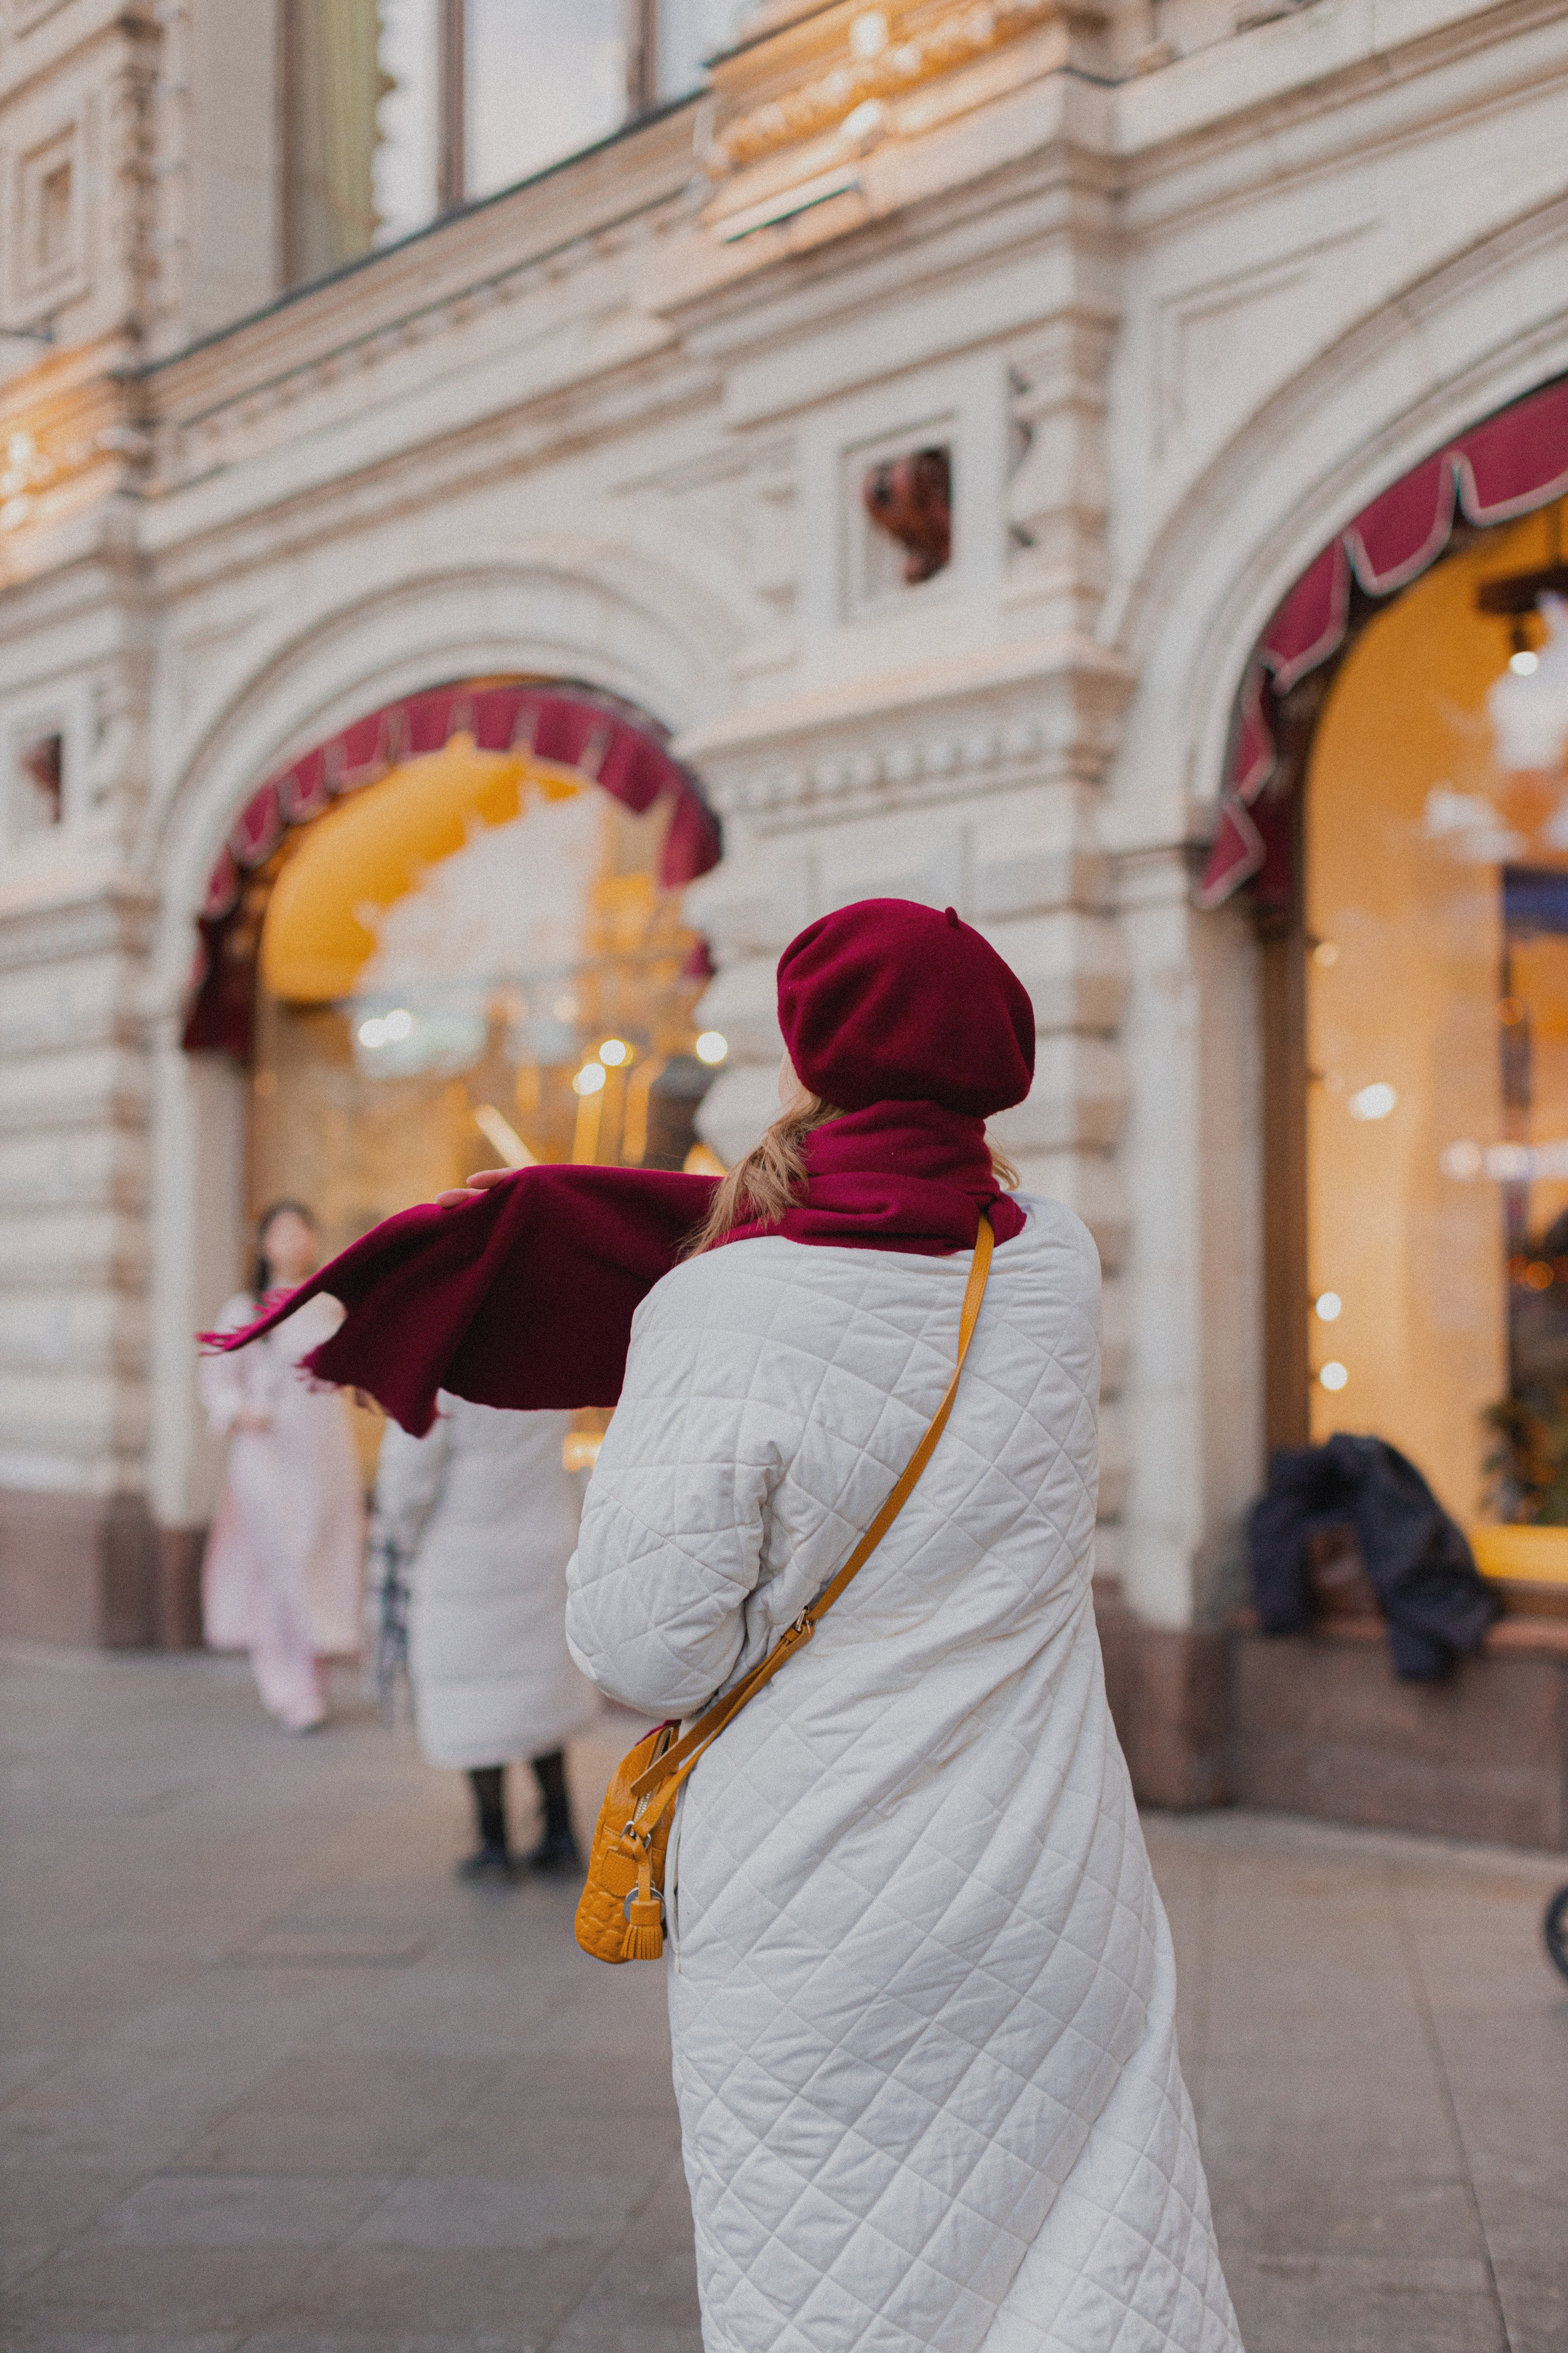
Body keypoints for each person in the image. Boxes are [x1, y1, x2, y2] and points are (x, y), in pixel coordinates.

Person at [206, 902, 1240, 2352]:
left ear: (809, 1054)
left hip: (823, 1906)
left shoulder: (717, 1301)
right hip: (1060, 1890)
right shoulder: (1049, 1259)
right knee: (1085, 2282)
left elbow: (643, 1647)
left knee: (845, 2298)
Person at [372, 1394, 597, 1878]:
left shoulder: (443, 1382)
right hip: (543, 1541)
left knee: (476, 1697)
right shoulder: (542, 1366)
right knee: (540, 1690)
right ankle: (561, 1830)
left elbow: (406, 1484)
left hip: (465, 1556)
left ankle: (494, 1840)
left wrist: (403, 1533)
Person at [198, 1202, 365, 1732]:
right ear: (265, 1242)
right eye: (284, 1233)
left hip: (323, 1457)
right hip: (267, 1458)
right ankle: (286, 1685)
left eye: (303, 1233)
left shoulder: (326, 1306)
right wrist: (246, 1412)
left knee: (315, 1558)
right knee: (279, 1563)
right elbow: (218, 1385)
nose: (295, 1242)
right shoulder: (243, 1309)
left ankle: (311, 1679)